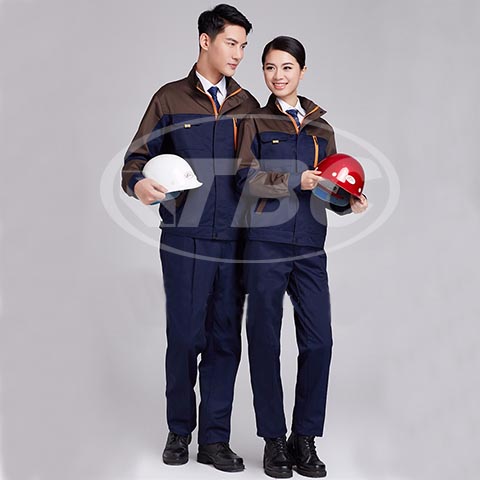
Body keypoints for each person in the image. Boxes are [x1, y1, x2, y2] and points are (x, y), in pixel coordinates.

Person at [121, 4, 259, 473]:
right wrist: (138, 184)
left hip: (235, 241)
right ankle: (179, 430)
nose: (238, 54)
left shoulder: (247, 104)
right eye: (231, 43)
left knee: (225, 339)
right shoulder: (169, 98)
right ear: (206, 40)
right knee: (184, 336)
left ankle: (215, 440)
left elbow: (262, 171)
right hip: (184, 237)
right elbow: (134, 161)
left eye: (243, 46)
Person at [235, 36, 368, 478]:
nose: (278, 76)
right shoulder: (255, 121)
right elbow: (245, 179)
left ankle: (304, 438)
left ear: (302, 71)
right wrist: (295, 181)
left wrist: (347, 201)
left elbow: (328, 186)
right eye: (270, 67)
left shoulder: (321, 129)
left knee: (319, 342)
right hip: (265, 244)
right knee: (265, 341)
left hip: (310, 246)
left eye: (287, 67)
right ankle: (273, 440)